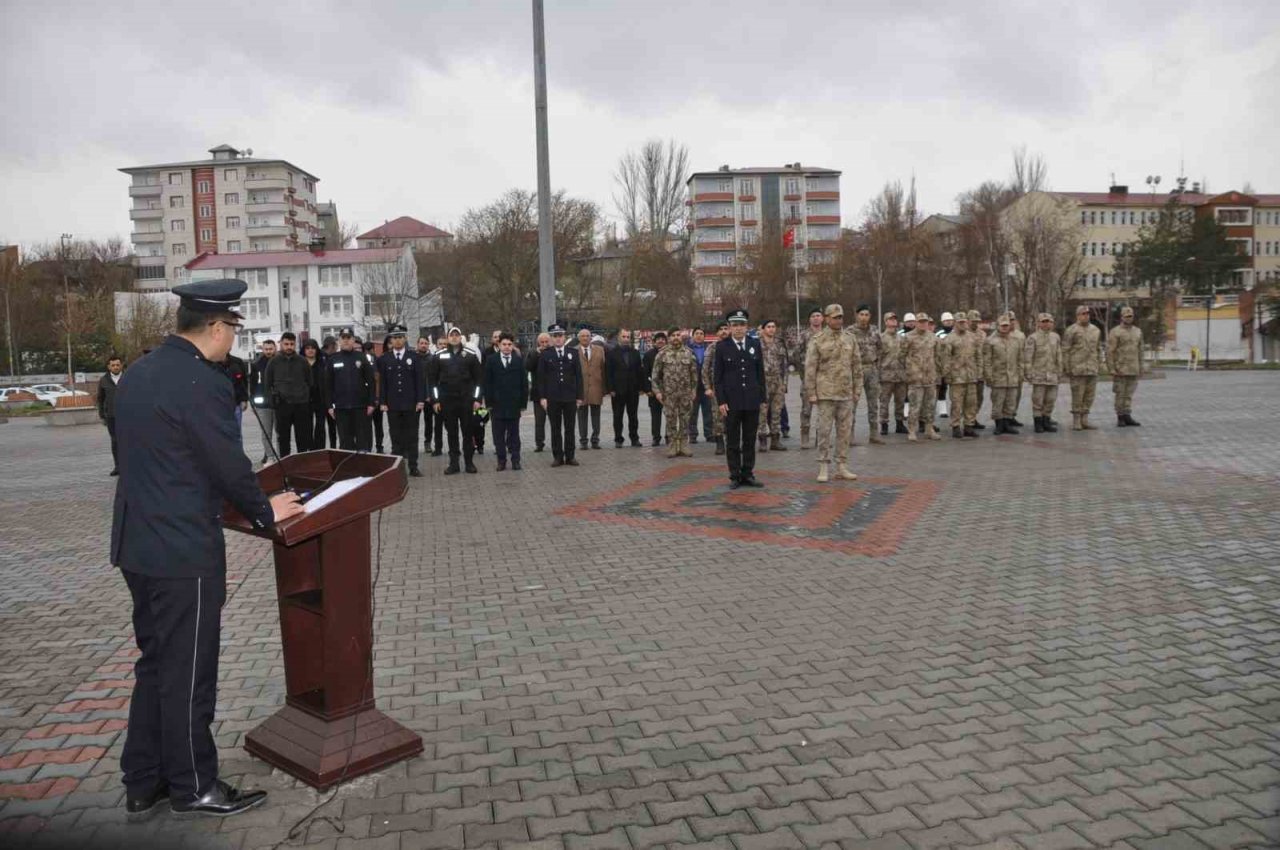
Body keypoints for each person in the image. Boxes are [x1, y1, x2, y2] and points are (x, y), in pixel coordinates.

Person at [112, 278, 303, 820]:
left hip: (137, 543)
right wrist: (267, 511)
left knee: (155, 664)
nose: (232, 343)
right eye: (233, 331)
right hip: (182, 550)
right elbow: (225, 462)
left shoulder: (140, 372)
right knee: (188, 670)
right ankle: (194, 785)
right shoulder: (202, 381)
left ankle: (143, 780)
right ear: (218, 328)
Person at [804, 304, 863, 483]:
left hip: (845, 393)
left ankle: (841, 466)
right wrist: (811, 393)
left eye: (840, 317)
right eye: (835, 317)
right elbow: (810, 368)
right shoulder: (817, 340)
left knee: (844, 431)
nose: (839, 320)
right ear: (826, 318)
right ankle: (823, 466)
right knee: (824, 431)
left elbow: (857, 366)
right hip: (825, 394)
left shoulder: (850, 339)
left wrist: (857, 390)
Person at [713, 309, 765, 488]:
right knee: (733, 440)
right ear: (729, 327)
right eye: (734, 325)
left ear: (746, 327)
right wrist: (721, 401)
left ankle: (748, 473)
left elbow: (760, 373)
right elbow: (717, 378)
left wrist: (762, 398)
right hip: (731, 402)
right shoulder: (722, 347)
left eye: (741, 325)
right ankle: (734, 475)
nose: (738, 329)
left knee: (750, 440)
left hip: (751, 400)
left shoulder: (754, 344)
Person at [427, 327, 482, 474]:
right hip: (447, 401)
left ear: (461, 337)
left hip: (466, 401)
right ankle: (454, 463)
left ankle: (469, 463)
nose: (454, 338)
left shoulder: (470, 356)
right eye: (452, 335)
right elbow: (432, 382)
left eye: (457, 335)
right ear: (448, 338)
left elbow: (478, 381)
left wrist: (477, 399)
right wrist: (436, 400)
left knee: (467, 432)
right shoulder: (439, 356)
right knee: (452, 433)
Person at [377, 324, 426, 477]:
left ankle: (413, 466)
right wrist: (383, 402)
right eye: (395, 338)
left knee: (412, 435)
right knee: (395, 436)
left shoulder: (414, 357)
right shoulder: (385, 359)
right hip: (393, 405)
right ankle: (398, 468)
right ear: (391, 340)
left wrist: (420, 400)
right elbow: (383, 383)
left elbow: (420, 381)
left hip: (411, 404)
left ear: (405, 339)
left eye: (400, 337)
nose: (397, 341)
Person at [538, 323, 583, 467]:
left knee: (570, 428)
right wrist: (543, 397)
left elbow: (579, 376)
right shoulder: (546, 354)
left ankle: (570, 456)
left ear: (565, 337)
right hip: (553, 397)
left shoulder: (573, 353)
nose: (558, 339)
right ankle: (558, 456)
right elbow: (541, 378)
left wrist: (579, 396)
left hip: (570, 397)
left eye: (560, 336)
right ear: (551, 338)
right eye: (555, 336)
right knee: (555, 428)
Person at [483, 332, 528, 471]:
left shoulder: (518, 360)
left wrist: (523, 404)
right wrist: (489, 403)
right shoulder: (491, 360)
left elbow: (524, 383)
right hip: (497, 405)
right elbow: (487, 383)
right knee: (498, 435)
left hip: (514, 404)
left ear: (512, 346)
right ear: (499, 345)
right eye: (504, 344)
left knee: (514, 435)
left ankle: (516, 460)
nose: (507, 347)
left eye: (509, 344)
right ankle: (501, 461)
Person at [651, 328, 698, 459]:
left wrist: (693, 390)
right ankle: (672, 445)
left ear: (681, 337)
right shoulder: (662, 354)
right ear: (669, 338)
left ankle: (683, 444)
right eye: (673, 335)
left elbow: (694, 375)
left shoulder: (689, 353)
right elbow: (655, 376)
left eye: (678, 335)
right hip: (669, 394)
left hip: (685, 393)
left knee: (685, 419)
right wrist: (658, 392)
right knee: (670, 419)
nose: (676, 337)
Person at [324, 328, 374, 450]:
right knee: (345, 441)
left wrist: (371, 403)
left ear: (353, 340)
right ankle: (348, 468)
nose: (346, 341)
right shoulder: (333, 359)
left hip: (360, 407)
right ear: (339, 340)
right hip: (341, 408)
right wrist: (330, 405)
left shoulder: (362, 358)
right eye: (343, 338)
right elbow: (328, 385)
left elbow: (371, 381)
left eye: (349, 338)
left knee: (362, 440)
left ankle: (363, 466)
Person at [264, 332, 312, 456]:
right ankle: (286, 464)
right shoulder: (273, 362)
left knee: (302, 437)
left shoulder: (302, 361)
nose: (289, 347)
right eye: (286, 344)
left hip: (301, 404)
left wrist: (304, 395)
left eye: (292, 344)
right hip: (282, 405)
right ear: (281, 344)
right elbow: (267, 383)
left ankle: (302, 462)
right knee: (283, 438)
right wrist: (273, 401)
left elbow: (309, 381)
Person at [938, 312, 982, 438]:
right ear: (955, 323)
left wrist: (979, 372)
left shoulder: (973, 337)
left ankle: (969, 426)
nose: (963, 324)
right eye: (960, 322)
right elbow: (945, 359)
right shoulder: (949, 339)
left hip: (971, 376)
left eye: (964, 322)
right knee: (957, 404)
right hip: (956, 377)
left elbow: (978, 356)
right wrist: (947, 375)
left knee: (971, 403)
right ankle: (956, 426)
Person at [903, 312, 941, 442]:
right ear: (916, 323)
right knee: (915, 406)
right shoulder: (908, 337)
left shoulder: (933, 337)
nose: (923, 324)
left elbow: (938, 356)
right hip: (915, 378)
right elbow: (901, 355)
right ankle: (912, 430)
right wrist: (909, 371)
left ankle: (929, 429)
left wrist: (938, 373)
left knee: (930, 406)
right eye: (920, 321)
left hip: (930, 377)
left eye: (925, 321)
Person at [849, 305, 884, 445]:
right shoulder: (850, 332)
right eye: (861, 314)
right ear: (857, 316)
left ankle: (874, 433)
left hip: (872, 370)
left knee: (873, 403)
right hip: (856, 371)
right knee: (852, 404)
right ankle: (849, 434)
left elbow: (880, 348)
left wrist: (877, 365)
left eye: (866, 314)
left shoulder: (875, 330)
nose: (864, 317)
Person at [1063, 305, 1101, 431]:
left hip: (1091, 368)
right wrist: (1067, 367)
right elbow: (1066, 350)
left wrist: (1098, 364)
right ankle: (1076, 420)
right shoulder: (1071, 330)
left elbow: (1098, 349)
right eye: (1083, 313)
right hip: (1077, 368)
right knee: (1077, 395)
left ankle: (1085, 419)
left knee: (1089, 395)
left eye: (1087, 313)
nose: (1086, 315)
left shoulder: (1095, 330)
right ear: (1078, 315)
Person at [1023, 313, 1063, 434]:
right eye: (1044, 321)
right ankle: (1038, 423)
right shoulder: (1033, 338)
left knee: (1050, 400)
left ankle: (1046, 421)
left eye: (1049, 321)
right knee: (1038, 400)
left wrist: (1060, 371)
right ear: (1039, 323)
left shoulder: (1055, 337)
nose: (1047, 324)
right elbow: (1028, 358)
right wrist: (1029, 373)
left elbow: (1059, 355)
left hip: (1052, 374)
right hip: (1038, 375)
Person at [790, 309, 825, 449]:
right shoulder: (804, 335)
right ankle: (805, 437)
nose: (816, 318)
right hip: (808, 379)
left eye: (818, 316)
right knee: (806, 409)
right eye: (813, 316)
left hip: (824, 378)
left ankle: (821, 438)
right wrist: (804, 371)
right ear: (810, 320)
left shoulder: (827, 335)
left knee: (824, 410)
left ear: (822, 318)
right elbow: (796, 355)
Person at [985, 314, 1023, 434]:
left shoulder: (1016, 340)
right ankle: (999, 425)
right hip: (998, 377)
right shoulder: (991, 341)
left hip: (1012, 377)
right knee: (998, 402)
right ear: (998, 326)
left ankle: (1007, 424)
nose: (1005, 327)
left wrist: (1020, 373)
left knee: (1010, 402)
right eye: (1002, 326)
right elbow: (987, 361)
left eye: (1007, 325)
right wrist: (989, 376)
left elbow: (1020, 359)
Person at [606, 328, 644, 447]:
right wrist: (610, 389)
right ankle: (618, 439)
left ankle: (634, 438)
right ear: (619, 338)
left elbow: (639, 371)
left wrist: (641, 388)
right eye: (624, 337)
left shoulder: (635, 353)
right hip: (617, 391)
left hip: (633, 390)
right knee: (618, 416)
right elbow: (608, 372)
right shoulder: (611, 353)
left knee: (633, 416)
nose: (626, 339)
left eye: (628, 337)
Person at [1107, 305, 1143, 426]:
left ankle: (1127, 415)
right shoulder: (1115, 332)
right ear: (1121, 317)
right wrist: (1111, 368)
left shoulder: (1138, 331)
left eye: (1130, 316)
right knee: (1120, 394)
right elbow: (1110, 351)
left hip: (1133, 368)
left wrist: (1141, 367)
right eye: (1126, 316)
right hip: (1120, 368)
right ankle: (1120, 416)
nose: (1128, 318)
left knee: (1129, 394)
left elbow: (1140, 351)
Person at [756, 319, 789, 453]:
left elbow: (785, 364)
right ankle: (763, 439)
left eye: (773, 326)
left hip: (777, 381)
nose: (771, 329)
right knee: (762, 412)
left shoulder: (779, 343)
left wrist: (785, 382)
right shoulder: (757, 343)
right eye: (768, 327)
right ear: (763, 329)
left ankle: (775, 439)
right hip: (763, 382)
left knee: (777, 411)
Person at [575, 328, 605, 449]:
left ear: (591, 337)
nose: (585, 338)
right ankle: (583, 441)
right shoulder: (573, 351)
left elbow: (603, 369)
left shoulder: (600, 350)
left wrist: (605, 388)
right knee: (581, 416)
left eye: (587, 336)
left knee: (596, 415)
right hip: (580, 389)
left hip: (596, 387)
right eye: (583, 336)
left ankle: (595, 439)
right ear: (579, 338)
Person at [702, 322, 730, 455]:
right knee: (718, 417)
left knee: (734, 416)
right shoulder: (712, 348)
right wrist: (707, 387)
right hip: (717, 388)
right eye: (721, 330)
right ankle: (720, 444)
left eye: (726, 329)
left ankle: (733, 443)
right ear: (717, 333)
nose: (724, 331)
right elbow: (705, 369)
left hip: (733, 389)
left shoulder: (734, 347)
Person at [879, 312, 908, 436]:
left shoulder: (902, 338)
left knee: (900, 401)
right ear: (886, 322)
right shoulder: (880, 338)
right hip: (886, 376)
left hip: (901, 375)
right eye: (891, 319)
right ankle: (884, 424)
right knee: (884, 401)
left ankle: (899, 423)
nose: (893, 321)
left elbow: (906, 356)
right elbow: (878, 357)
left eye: (895, 319)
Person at [249, 338, 276, 463]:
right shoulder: (256, 364)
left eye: (271, 349)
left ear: (275, 348)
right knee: (266, 432)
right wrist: (253, 402)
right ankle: (270, 456)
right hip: (263, 404)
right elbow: (253, 384)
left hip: (279, 403)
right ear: (262, 349)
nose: (269, 351)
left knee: (281, 433)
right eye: (266, 349)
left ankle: (280, 456)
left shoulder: (279, 362)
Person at [98, 355, 125, 475]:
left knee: (129, 440)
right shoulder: (103, 380)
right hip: (112, 416)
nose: (115, 367)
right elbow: (100, 399)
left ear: (121, 365)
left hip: (128, 415)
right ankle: (118, 466)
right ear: (109, 366)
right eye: (113, 365)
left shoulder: (128, 377)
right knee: (115, 441)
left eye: (117, 365)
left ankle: (131, 465)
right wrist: (102, 415)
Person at [685, 327, 712, 444]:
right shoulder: (687, 349)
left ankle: (709, 433)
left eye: (701, 333)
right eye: (697, 333)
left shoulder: (709, 348)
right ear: (693, 335)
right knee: (692, 412)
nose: (699, 335)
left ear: (704, 336)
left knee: (708, 411)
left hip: (707, 385)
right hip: (693, 385)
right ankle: (692, 435)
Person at [641, 331, 667, 446]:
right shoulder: (648, 355)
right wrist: (648, 390)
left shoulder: (670, 353)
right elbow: (644, 374)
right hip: (654, 389)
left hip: (669, 390)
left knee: (670, 415)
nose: (660, 341)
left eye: (662, 339)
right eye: (658, 339)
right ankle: (656, 437)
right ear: (654, 342)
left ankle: (669, 436)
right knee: (655, 416)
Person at [526, 332, 550, 452]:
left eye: (546, 342)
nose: (545, 344)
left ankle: (557, 441)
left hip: (553, 392)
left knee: (555, 420)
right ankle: (539, 443)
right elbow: (528, 367)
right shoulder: (533, 353)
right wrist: (537, 354)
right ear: (538, 343)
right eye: (542, 342)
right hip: (538, 393)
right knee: (539, 421)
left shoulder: (553, 352)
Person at [301, 339, 327, 449]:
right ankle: (310, 449)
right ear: (304, 350)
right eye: (308, 348)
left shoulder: (323, 363)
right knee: (307, 426)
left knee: (320, 426)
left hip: (320, 398)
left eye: (313, 348)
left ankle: (320, 449)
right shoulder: (300, 363)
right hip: (305, 399)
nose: (310, 350)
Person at [967, 310, 989, 429]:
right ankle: (967, 421)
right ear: (968, 321)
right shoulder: (964, 333)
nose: (975, 323)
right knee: (969, 398)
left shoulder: (982, 334)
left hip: (980, 371)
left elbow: (986, 352)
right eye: (973, 321)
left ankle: (973, 418)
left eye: (977, 321)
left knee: (979, 397)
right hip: (967, 372)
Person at [362, 340, 385, 452]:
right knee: (377, 425)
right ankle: (379, 447)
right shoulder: (377, 360)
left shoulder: (370, 361)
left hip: (370, 399)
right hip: (375, 399)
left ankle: (371, 447)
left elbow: (377, 379)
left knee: (369, 426)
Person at [416, 336, 437, 453]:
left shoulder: (432, 359)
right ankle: (412, 444)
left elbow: (433, 379)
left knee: (429, 421)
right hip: (416, 397)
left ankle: (427, 443)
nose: (423, 345)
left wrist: (430, 395)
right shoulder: (413, 358)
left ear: (428, 345)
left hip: (429, 396)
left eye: (426, 343)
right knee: (414, 423)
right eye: (421, 343)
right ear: (417, 344)